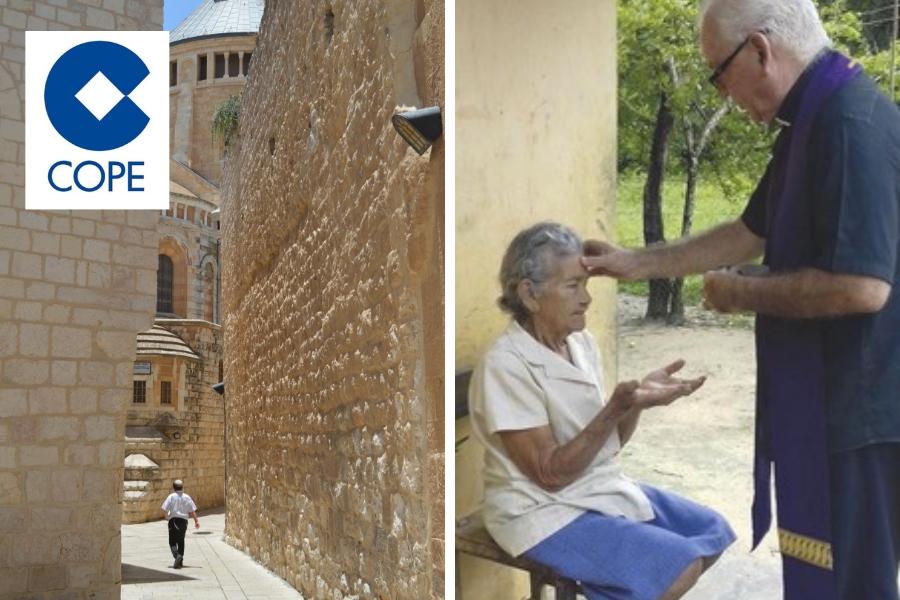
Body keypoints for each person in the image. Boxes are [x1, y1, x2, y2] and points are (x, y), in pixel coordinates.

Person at [584, 1, 900, 598]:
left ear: (759, 49)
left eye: (718, 73)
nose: (724, 95)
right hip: (829, 401)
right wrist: (635, 263)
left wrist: (743, 292)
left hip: (861, 408)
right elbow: (750, 231)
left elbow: (863, 287)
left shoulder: (848, 122)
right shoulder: (810, 120)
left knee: (854, 585)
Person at [469, 222, 735, 600]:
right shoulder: (507, 365)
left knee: (711, 531)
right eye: (572, 286)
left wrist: (635, 405)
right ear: (529, 294)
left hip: (594, 488)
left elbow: (608, 445)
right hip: (538, 511)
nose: (586, 299)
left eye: (586, 284)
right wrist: (613, 410)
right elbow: (548, 474)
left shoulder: (580, 344)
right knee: (677, 566)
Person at [161, 479, 200, 569]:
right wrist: (196, 521)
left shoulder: (171, 496)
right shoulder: (187, 497)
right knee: (181, 540)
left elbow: (164, 509)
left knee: (172, 541)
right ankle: (180, 561)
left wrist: (167, 517)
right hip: (184, 522)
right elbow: (192, 510)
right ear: (182, 487)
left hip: (173, 521)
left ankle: (177, 556)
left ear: (174, 487)